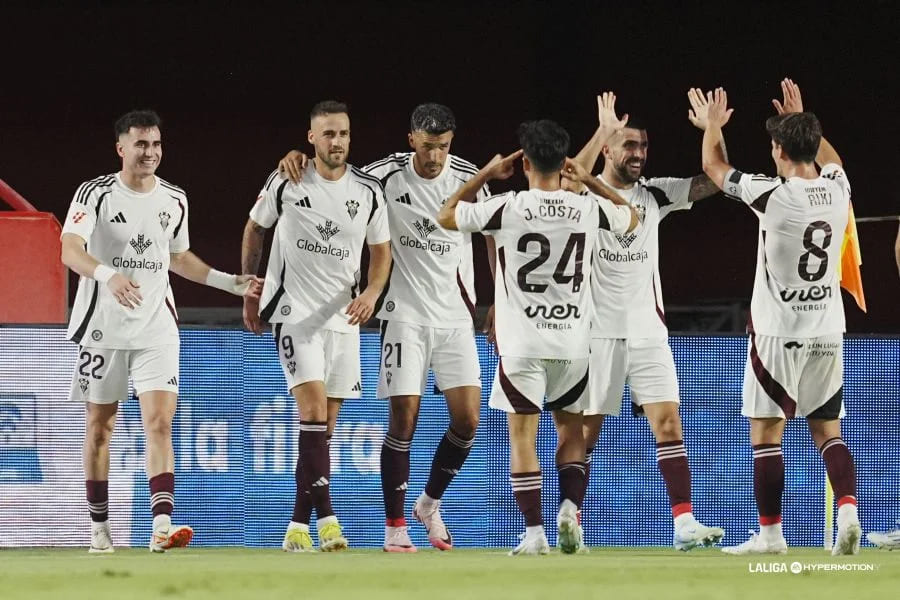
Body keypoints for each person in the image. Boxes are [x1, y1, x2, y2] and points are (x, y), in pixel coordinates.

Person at [277, 103, 492, 552]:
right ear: (411, 139)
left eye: (445, 147)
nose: (436, 157)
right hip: (403, 314)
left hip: (455, 316)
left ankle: (428, 503)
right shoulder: (384, 177)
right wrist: (297, 155)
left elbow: (494, 234)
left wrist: (499, 303)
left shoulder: (469, 179)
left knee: (469, 422)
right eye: (429, 146)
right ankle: (395, 526)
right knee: (403, 419)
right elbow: (336, 174)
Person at [60, 109, 261, 553]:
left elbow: (179, 257)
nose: (149, 152)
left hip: (157, 326)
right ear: (121, 148)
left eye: (155, 144)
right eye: (140, 144)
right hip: (102, 328)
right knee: (99, 427)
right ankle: (99, 528)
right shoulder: (94, 194)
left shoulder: (175, 198)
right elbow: (70, 250)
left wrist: (229, 281)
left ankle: (162, 524)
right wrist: (107, 274)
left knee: (159, 422)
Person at [438, 119, 638, 555]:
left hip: (523, 345)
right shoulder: (585, 207)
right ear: (565, 162)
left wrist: (486, 175)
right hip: (572, 342)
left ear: (524, 161)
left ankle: (534, 534)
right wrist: (590, 183)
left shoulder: (507, 206)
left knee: (523, 438)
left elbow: (446, 215)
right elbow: (631, 217)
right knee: (572, 434)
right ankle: (570, 509)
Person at [697, 80, 861, 555]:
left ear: (778, 150)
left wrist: (711, 125)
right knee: (828, 431)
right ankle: (847, 510)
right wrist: (804, 118)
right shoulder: (837, 190)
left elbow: (714, 167)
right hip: (828, 328)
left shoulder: (775, 194)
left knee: (767, 435)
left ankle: (770, 535)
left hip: (777, 333)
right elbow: (834, 162)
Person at [562, 92, 725, 550]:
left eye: (643, 146)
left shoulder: (656, 193)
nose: (638, 154)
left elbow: (713, 182)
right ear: (610, 150)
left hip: (648, 333)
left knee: (669, 425)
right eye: (628, 145)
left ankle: (683, 525)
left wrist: (712, 129)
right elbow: (567, 178)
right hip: (597, 333)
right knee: (584, 433)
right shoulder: (583, 196)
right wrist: (602, 131)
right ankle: (568, 517)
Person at [242, 100, 392, 552]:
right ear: (311, 138)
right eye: (328, 134)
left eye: (343, 133)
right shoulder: (288, 178)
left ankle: (296, 527)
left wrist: (370, 294)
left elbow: (381, 253)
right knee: (311, 415)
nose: (337, 142)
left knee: (322, 430)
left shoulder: (367, 190)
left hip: (343, 320)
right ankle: (329, 520)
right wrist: (252, 289)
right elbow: (254, 228)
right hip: (294, 314)